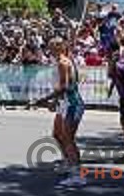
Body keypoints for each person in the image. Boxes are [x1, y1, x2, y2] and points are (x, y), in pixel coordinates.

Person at [33, 38, 86, 187]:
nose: (48, 49)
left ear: (59, 47)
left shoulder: (63, 63)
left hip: (72, 104)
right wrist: (55, 102)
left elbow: (64, 87)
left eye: (51, 46)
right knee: (57, 135)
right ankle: (68, 163)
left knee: (68, 139)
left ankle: (77, 175)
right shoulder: (60, 61)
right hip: (64, 103)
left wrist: (44, 99)